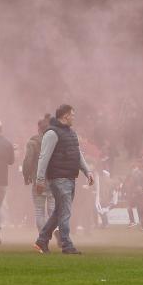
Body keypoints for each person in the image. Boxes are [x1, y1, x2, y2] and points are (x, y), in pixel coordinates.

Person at [32, 104, 95, 255]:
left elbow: (77, 154)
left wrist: (88, 171)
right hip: (59, 179)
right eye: (72, 114)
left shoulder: (70, 133)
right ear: (65, 115)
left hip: (70, 177)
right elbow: (43, 157)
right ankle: (67, 245)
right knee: (65, 212)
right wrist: (40, 179)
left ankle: (41, 241)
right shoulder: (52, 133)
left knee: (59, 211)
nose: (74, 117)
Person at [23, 115, 55, 234]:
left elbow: (28, 161)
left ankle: (42, 236)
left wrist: (26, 176)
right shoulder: (55, 141)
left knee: (39, 211)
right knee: (52, 210)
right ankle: (55, 231)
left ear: (38, 128)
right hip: (53, 180)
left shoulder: (32, 143)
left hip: (38, 181)